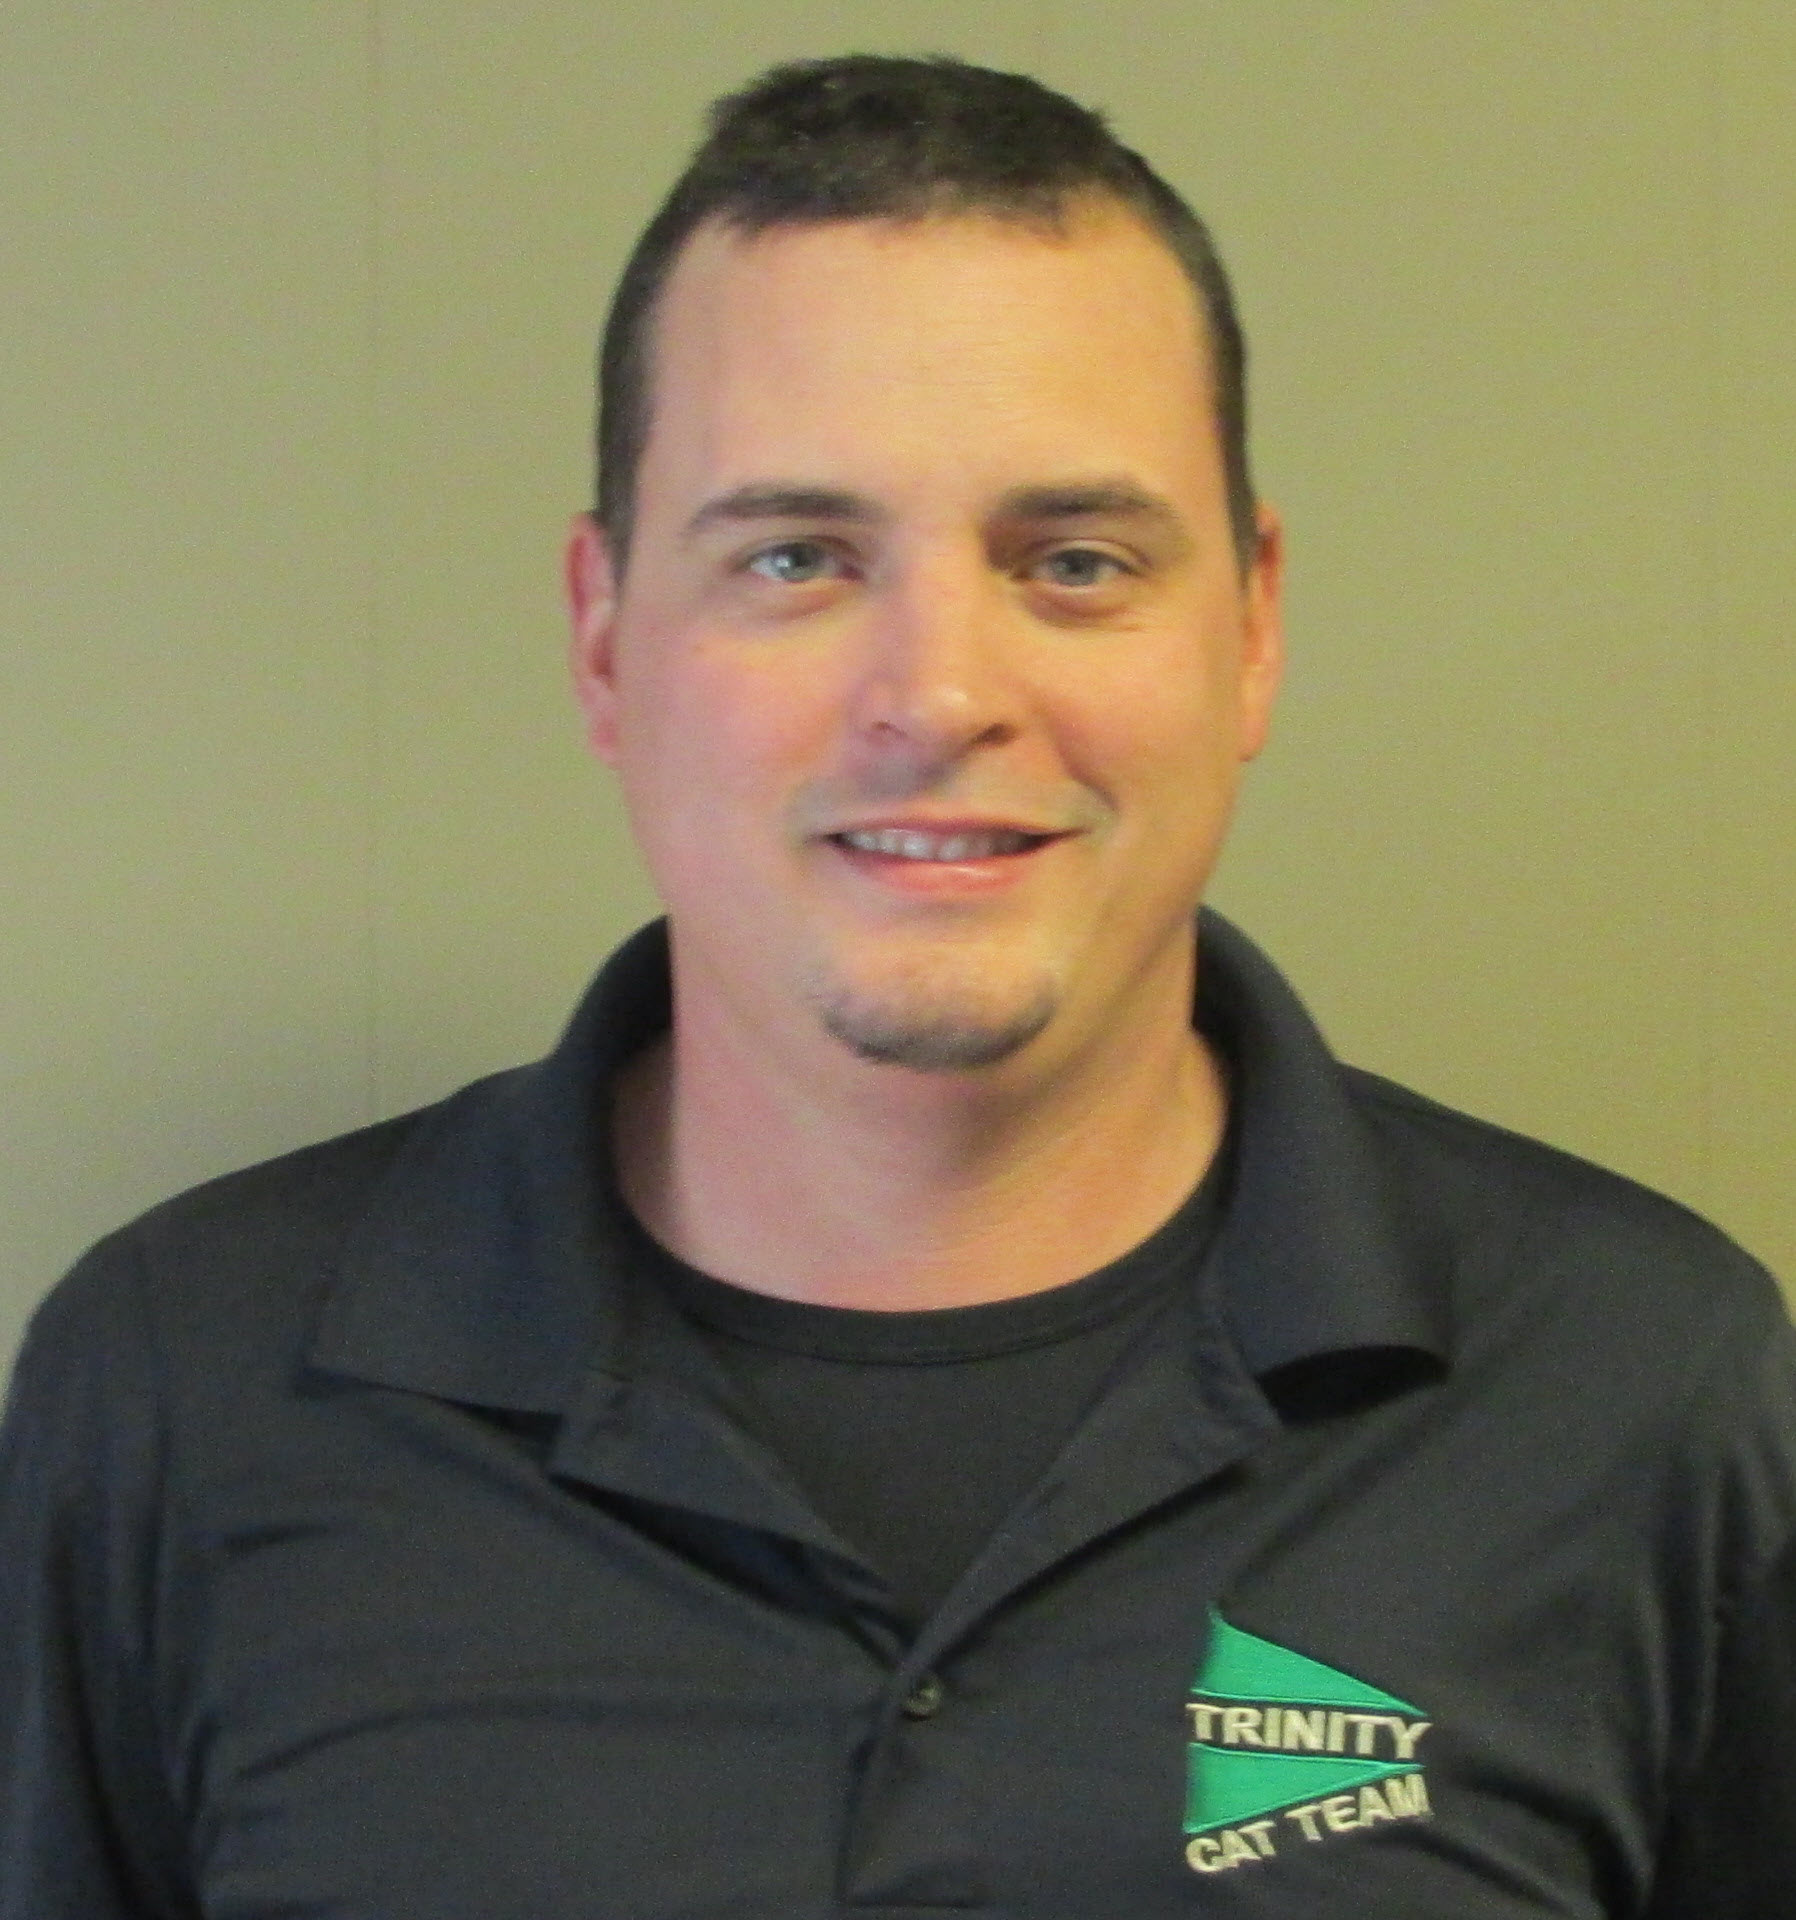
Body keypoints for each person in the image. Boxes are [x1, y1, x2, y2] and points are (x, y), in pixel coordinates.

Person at [3, 53, 1792, 1920]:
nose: (938, 694)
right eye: (798, 558)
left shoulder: (1635, 1383)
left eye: (1074, 562)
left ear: (1252, 627)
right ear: (605, 637)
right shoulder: (185, 1387)